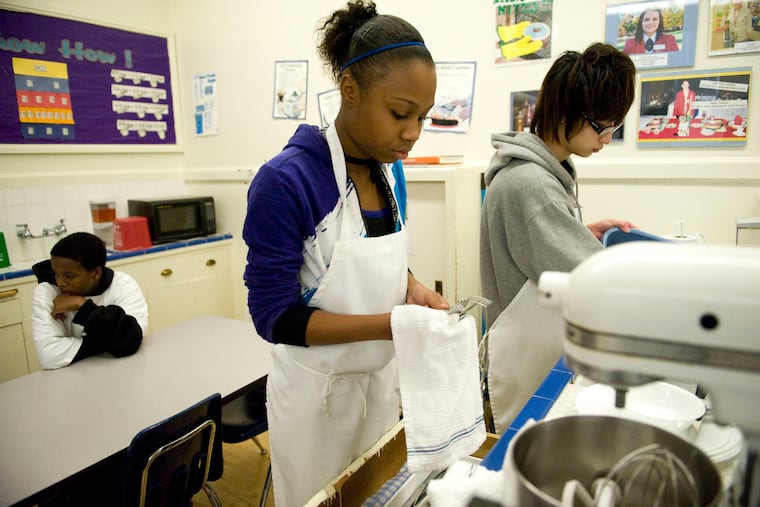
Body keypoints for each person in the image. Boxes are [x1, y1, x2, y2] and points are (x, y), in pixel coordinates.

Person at [242, 1, 448, 504]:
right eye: (400, 114)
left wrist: (413, 287)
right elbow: (274, 317)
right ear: (350, 91)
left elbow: (380, 258)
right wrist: (388, 324)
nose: (412, 134)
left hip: (378, 388)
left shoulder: (389, 170)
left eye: (422, 117)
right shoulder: (287, 182)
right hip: (318, 405)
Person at [479, 42, 637, 433]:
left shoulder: (540, 172)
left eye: (614, 127)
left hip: (533, 347)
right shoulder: (532, 184)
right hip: (526, 361)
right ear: (568, 112)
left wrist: (576, 232)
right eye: (603, 126)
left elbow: (536, 247)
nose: (607, 139)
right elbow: (592, 278)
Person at [31, 232, 148, 370]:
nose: (61, 282)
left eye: (69, 275)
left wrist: (83, 306)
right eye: (56, 273)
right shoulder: (47, 292)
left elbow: (132, 338)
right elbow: (49, 356)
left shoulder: (123, 285)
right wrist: (110, 339)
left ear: (96, 273)